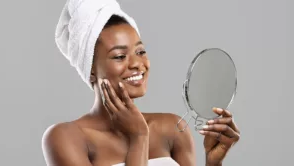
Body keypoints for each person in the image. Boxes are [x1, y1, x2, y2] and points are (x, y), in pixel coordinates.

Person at [42, 0, 241, 165]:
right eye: (120, 56)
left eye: (140, 52)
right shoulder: (66, 138)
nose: (137, 64)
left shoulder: (172, 128)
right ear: (91, 68)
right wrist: (138, 138)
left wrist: (213, 163)